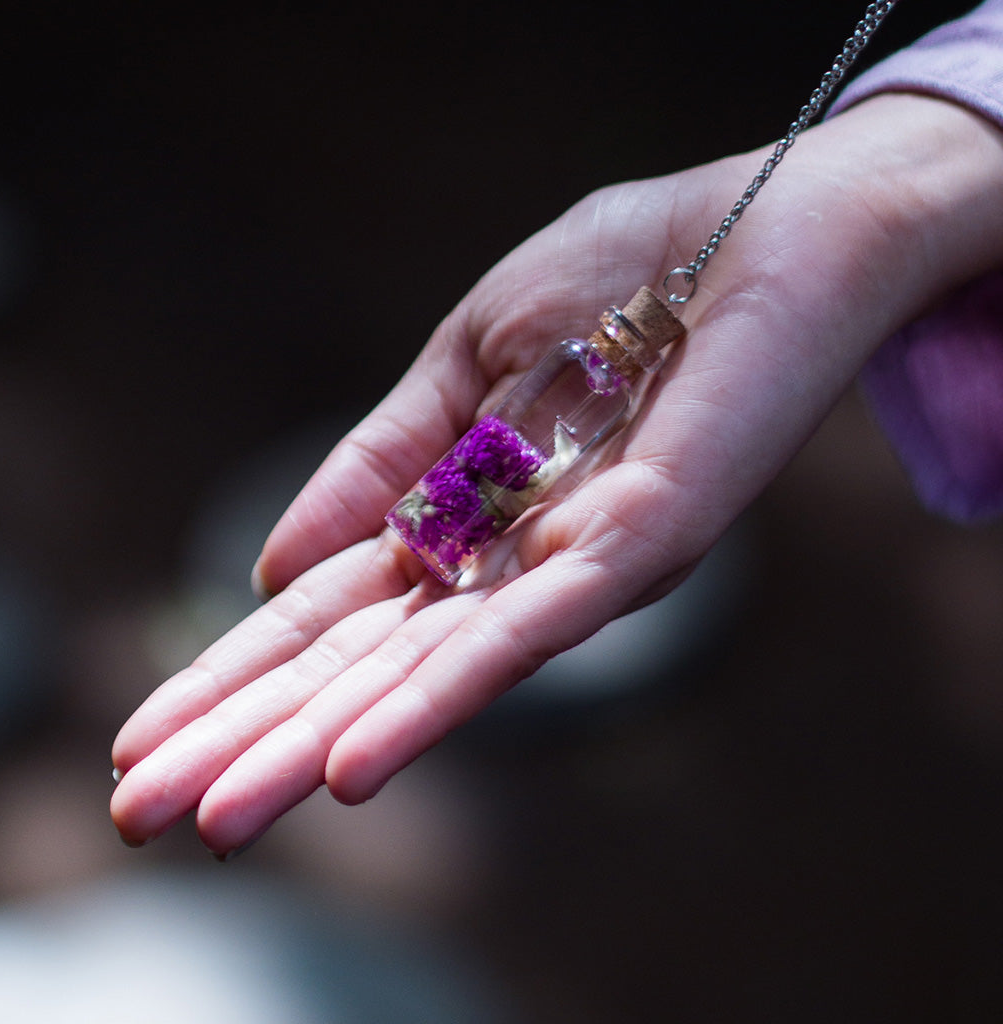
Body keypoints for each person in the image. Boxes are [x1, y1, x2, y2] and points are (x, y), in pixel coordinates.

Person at [111, 1, 1003, 858]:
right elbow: (526, 439)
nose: (619, 349)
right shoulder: (583, 360)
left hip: (465, 515)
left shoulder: (617, 399)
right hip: (442, 519)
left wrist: (880, 203)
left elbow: (557, 460)